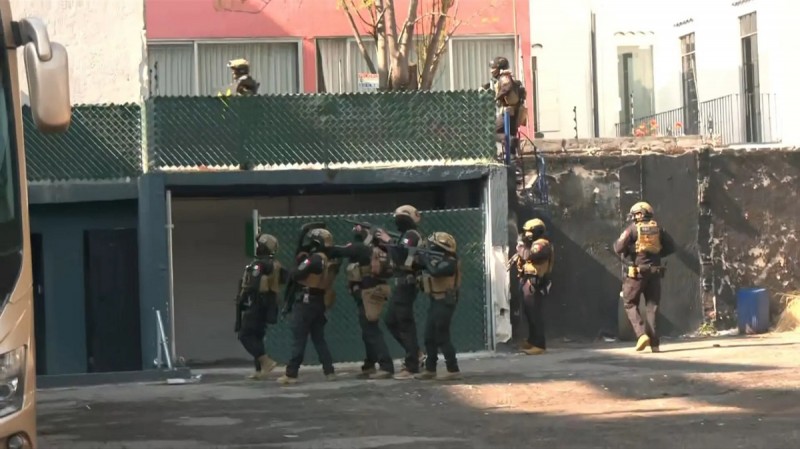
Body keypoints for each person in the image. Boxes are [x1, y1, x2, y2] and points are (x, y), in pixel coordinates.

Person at [277, 228, 341, 384]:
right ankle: (329, 371)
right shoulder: (331, 260)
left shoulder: (316, 259)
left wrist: (301, 260)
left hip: (306, 302)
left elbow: (295, 274)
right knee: (319, 339)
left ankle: (291, 374)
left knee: (299, 339)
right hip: (319, 302)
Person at [331, 224, 394, 379]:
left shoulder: (361, 248)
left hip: (368, 292)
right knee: (368, 330)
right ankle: (370, 364)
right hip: (374, 290)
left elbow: (337, 251)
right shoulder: (378, 250)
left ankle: (386, 366)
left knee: (371, 330)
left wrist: (321, 245)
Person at [613, 201, 676, 353]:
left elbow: (618, 248)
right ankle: (655, 344)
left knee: (629, 302)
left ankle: (641, 335)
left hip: (637, 273)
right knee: (652, 307)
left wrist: (630, 250)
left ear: (639, 214)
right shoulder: (658, 229)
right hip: (655, 272)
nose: (633, 217)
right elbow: (671, 247)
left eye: (634, 214)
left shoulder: (632, 229)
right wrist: (657, 254)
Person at [376, 205, 425, 380]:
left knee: (405, 325)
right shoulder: (405, 236)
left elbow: (401, 256)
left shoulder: (411, 235)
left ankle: (412, 365)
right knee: (391, 320)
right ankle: (415, 353)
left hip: (407, 284)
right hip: (401, 285)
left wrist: (388, 240)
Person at [235, 233, 286, 379]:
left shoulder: (260, 264)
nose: (258, 247)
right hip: (268, 303)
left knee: (245, 335)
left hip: (257, 303)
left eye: (260, 245)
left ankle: (265, 361)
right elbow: (284, 278)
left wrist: (243, 298)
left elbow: (252, 284)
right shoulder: (275, 264)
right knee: (257, 336)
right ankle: (259, 370)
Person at [415, 232, 462, 381]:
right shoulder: (437, 259)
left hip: (445, 301)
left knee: (442, 336)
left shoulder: (451, 261)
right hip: (435, 300)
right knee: (429, 336)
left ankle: (453, 369)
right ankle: (430, 369)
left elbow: (436, 271)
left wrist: (424, 258)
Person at [514, 218, 554, 355]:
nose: (526, 234)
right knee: (529, 314)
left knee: (535, 315)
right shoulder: (532, 243)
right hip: (528, 282)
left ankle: (539, 344)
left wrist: (521, 247)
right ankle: (532, 341)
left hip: (536, 283)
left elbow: (530, 255)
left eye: (529, 232)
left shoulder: (542, 244)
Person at [490, 56, 526, 154]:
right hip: (514, 112)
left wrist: (496, 98)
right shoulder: (507, 77)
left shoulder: (504, 77)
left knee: (491, 132)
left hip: (508, 112)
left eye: (493, 68)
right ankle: (513, 159)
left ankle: (514, 141)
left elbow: (506, 87)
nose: (491, 71)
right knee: (510, 136)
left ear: (500, 68)